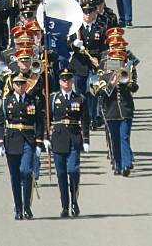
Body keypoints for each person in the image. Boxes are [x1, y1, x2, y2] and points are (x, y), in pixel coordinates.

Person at [0, 73, 45, 220]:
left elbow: (39, 122)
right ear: (13, 85)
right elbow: (0, 122)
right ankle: (18, 208)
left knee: (26, 171)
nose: (20, 86)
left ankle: (27, 206)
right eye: (17, 83)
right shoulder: (7, 102)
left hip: (28, 140)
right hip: (11, 140)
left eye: (23, 83)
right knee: (15, 177)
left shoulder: (33, 101)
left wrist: (39, 142)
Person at [47, 68, 90, 217]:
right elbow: (47, 119)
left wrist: (86, 139)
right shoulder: (53, 99)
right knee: (61, 174)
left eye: (69, 79)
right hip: (58, 138)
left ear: (72, 81)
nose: (66, 82)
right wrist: (46, 138)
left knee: (73, 171)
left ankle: (74, 201)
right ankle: (65, 205)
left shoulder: (80, 98)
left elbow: (85, 120)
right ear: (59, 81)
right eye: (63, 79)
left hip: (73, 138)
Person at [96, 47, 138, 177]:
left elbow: (135, 87)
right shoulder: (104, 75)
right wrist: (112, 83)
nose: (118, 64)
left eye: (120, 61)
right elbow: (100, 93)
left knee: (124, 137)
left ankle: (126, 165)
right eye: (115, 61)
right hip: (111, 111)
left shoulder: (128, 72)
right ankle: (118, 164)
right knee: (115, 139)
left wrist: (127, 82)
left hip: (126, 110)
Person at [68, 2, 107, 129]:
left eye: (90, 12)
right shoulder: (76, 29)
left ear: (95, 13)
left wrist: (99, 60)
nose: (87, 15)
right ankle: (81, 118)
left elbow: (104, 48)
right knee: (80, 93)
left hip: (93, 65)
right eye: (85, 12)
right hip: (79, 64)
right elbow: (68, 45)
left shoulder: (100, 28)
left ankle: (92, 117)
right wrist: (75, 44)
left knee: (92, 92)